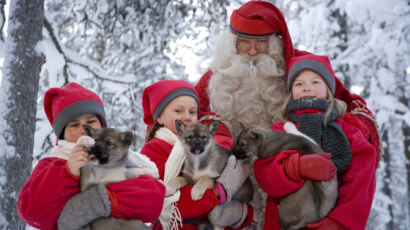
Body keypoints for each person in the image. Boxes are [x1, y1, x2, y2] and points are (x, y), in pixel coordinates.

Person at [194, 1, 381, 228]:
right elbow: (179, 116)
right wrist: (219, 131)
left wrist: (340, 129)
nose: (252, 51)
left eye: (261, 43)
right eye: (244, 42)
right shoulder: (214, 80)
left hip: (290, 201)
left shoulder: (300, 69)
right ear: (231, 43)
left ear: (274, 44)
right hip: (231, 200)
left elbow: (351, 106)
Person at [17, 82, 165, 230]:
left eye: (91, 121)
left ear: (101, 125)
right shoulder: (53, 164)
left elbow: (153, 200)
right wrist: (68, 172)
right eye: (74, 125)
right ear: (62, 134)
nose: (83, 130)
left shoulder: (122, 156)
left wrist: (103, 200)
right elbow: (31, 211)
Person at [253, 54, 377, 229]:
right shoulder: (280, 129)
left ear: (328, 89)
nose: (306, 88)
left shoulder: (347, 130)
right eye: (299, 83)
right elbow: (264, 170)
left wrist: (339, 221)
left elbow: (361, 176)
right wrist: (295, 167)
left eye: (315, 82)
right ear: (291, 93)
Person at [140, 79, 253, 230]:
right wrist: (216, 194)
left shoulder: (201, 147)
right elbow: (163, 203)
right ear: (159, 117)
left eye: (192, 112)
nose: (187, 117)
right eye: (178, 111)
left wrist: (239, 213)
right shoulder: (154, 150)